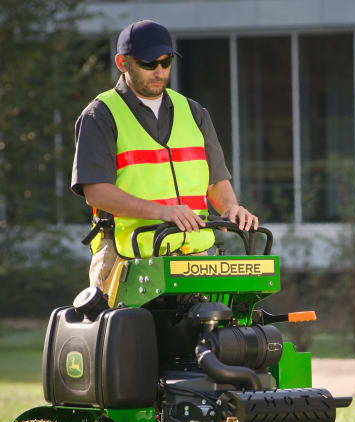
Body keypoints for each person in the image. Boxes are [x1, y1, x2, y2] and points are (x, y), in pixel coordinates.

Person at [71, 19, 258, 290]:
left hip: (194, 257)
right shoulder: (100, 115)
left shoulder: (194, 112)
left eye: (166, 62)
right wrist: (162, 212)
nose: (159, 72)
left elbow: (216, 182)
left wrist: (230, 208)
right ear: (122, 63)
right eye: (148, 64)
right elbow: (96, 192)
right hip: (126, 258)